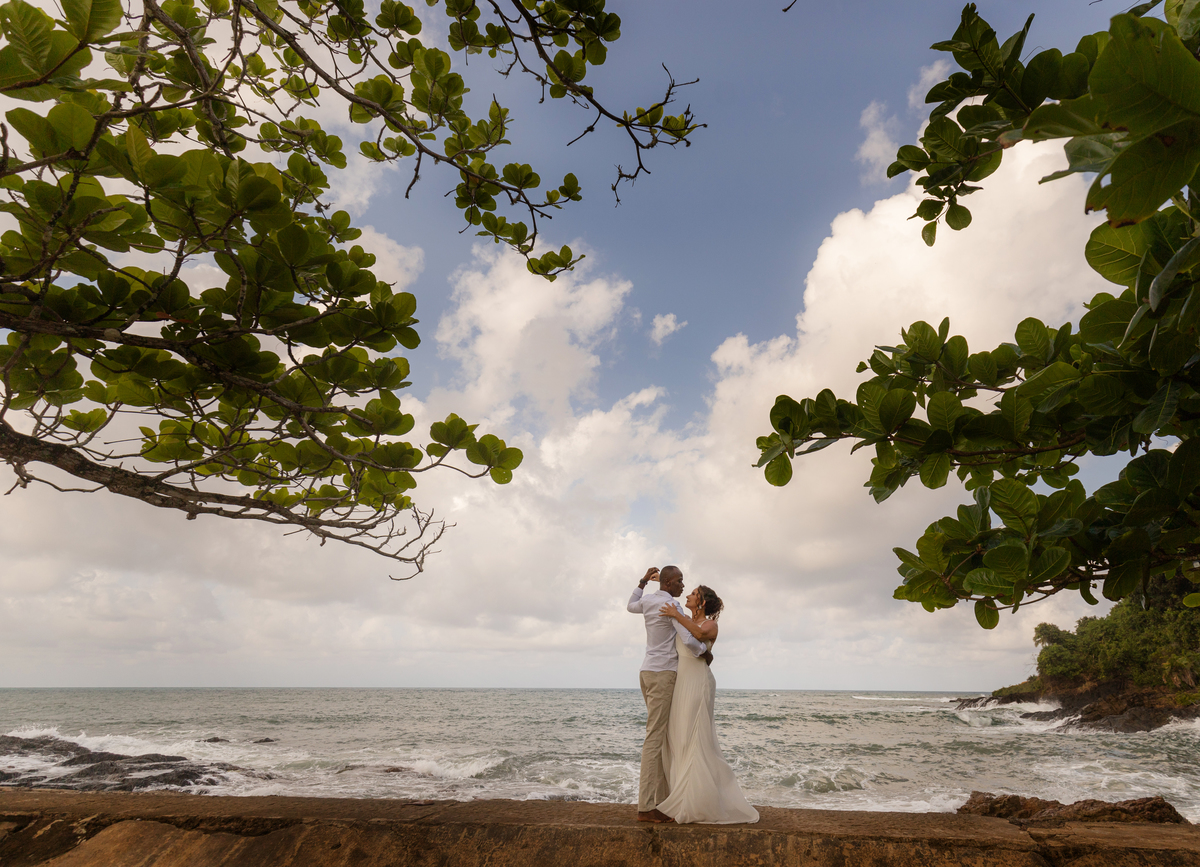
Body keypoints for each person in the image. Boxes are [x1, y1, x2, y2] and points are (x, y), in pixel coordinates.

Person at [655, 585, 760, 824]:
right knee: (678, 738)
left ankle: (694, 804)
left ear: (702, 602)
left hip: (698, 683)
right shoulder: (682, 620)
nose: (688, 595)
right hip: (680, 683)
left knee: (694, 739)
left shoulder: (710, 625)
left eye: (693, 594)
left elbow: (700, 636)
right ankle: (681, 796)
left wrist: (677, 615)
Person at [627, 565, 708, 823]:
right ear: (669, 583)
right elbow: (689, 639)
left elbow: (630, 605)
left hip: (646, 672)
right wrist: (705, 652)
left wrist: (642, 582)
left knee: (659, 735)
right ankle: (646, 807)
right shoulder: (672, 606)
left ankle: (660, 800)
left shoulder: (648, 600)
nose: (683, 585)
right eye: (680, 581)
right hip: (663, 674)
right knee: (654, 738)